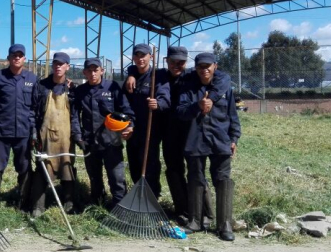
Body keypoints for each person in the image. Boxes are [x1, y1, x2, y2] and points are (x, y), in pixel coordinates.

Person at [124, 46, 230, 225]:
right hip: (167, 131)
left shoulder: (191, 76)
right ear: (166, 61)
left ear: (186, 62)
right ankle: (182, 209)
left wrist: (211, 97)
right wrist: (131, 73)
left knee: (195, 172)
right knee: (173, 169)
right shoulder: (160, 75)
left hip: (191, 131)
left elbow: (224, 78)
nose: (176, 65)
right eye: (173, 61)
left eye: (180, 62)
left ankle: (206, 213)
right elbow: (139, 68)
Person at [177, 53, 241, 241]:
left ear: (215, 66)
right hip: (195, 140)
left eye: (208, 66)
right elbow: (180, 112)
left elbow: (232, 116)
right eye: (200, 67)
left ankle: (224, 225)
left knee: (223, 180)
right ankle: (195, 221)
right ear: (195, 68)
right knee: (195, 178)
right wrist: (198, 105)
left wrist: (234, 138)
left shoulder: (224, 89)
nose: (204, 70)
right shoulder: (187, 88)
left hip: (220, 139)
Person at [71, 58, 134, 208]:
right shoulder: (80, 91)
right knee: (94, 176)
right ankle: (97, 203)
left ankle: (120, 207)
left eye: (96, 70)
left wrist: (130, 126)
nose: (93, 73)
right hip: (89, 142)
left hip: (111, 141)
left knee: (116, 177)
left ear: (102, 71)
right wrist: (78, 137)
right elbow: (74, 116)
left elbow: (126, 110)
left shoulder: (112, 87)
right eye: (89, 70)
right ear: (85, 72)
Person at [0, 44, 37, 209]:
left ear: (24, 59)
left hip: (24, 133)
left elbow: (35, 108)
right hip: (2, 132)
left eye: (20, 55)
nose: (17, 58)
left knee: (25, 167)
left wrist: (34, 131)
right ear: (8, 58)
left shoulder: (32, 79)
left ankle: (24, 202)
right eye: (14, 55)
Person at [29, 52, 79, 216]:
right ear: (52, 66)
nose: (58, 67)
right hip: (45, 135)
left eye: (62, 64)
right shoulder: (42, 85)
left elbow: (75, 115)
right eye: (56, 64)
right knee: (43, 168)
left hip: (66, 137)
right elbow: (33, 111)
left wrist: (77, 136)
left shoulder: (72, 89)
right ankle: (38, 206)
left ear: (67, 67)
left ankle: (69, 202)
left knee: (67, 167)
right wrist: (34, 133)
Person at [123, 44, 170, 198]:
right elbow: (125, 102)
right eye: (137, 56)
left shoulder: (159, 75)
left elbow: (165, 97)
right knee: (134, 164)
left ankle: (153, 197)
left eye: (144, 55)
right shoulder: (131, 76)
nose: (140, 59)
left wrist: (158, 103)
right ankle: (139, 196)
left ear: (151, 57)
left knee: (150, 165)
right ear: (133, 58)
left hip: (151, 130)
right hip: (133, 128)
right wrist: (129, 124)